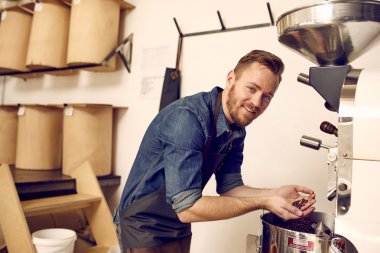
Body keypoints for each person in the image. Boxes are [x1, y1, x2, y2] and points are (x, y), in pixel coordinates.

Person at [114, 50, 316, 253]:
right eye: (251, 88)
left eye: (266, 97)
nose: (256, 102)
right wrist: (264, 202)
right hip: (143, 226)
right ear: (231, 79)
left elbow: (231, 187)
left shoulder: (236, 129)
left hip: (177, 225)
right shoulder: (187, 119)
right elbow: (187, 208)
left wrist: (275, 193)